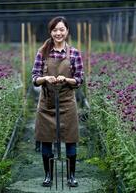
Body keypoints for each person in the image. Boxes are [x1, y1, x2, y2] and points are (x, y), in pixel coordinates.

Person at [31, 16, 84, 187]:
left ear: (67, 31)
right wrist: (45, 78)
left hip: (67, 102)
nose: (58, 33)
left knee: (70, 138)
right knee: (45, 138)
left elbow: (80, 80)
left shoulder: (74, 53)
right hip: (47, 102)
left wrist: (66, 80)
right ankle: (48, 175)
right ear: (51, 32)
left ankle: (71, 176)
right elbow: (34, 78)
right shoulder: (43, 52)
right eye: (55, 30)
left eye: (61, 29)